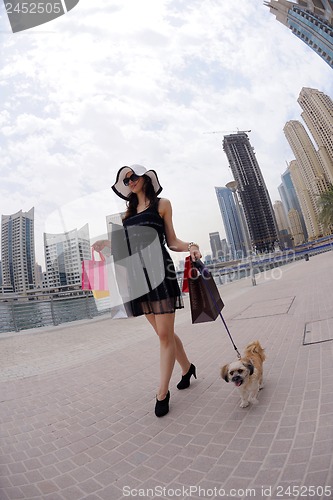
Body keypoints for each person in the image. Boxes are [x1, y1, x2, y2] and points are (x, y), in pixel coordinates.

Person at [93, 164, 202, 417]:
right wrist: (108, 244)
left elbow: (172, 241)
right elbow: (125, 249)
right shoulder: (126, 216)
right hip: (137, 278)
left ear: (145, 178)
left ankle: (162, 393)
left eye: (132, 177)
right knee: (165, 334)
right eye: (126, 180)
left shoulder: (162, 204)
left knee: (165, 335)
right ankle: (187, 368)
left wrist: (192, 245)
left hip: (159, 272)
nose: (130, 182)